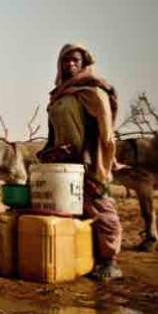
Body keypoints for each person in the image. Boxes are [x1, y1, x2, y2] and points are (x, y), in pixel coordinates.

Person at [39, 43, 123, 280]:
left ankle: (110, 261)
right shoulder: (58, 95)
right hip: (64, 160)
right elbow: (53, 131)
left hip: (88, 159)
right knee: (71, 209)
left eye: (76, 60)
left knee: (101, 204)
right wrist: (49, 151)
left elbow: (100, 129)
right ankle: (87, 257)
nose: (70, 65)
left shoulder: (93, 91)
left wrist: (86, 157)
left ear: (84, 63)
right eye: (66, 60)